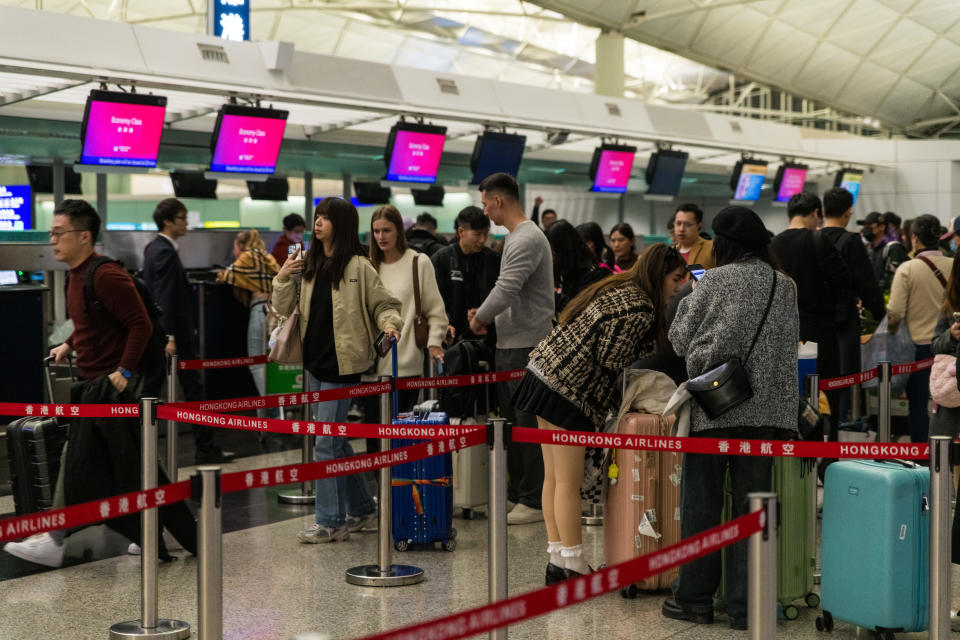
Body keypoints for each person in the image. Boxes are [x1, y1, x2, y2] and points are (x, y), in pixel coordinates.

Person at [4, 200, 195, 567]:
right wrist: (68, 344)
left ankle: (54, 538)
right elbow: (92, 323)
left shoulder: (106, 275)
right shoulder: (76, 276)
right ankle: (157, 535)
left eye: (59, 233)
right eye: (52, 233)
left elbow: (139, 324)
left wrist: (123, 371)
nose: (53, 240)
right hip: (94, 383)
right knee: (134, 469)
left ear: (84, 236)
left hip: (111, 387)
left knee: (77, 459)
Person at [662, 206, 799, 631]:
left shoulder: (712, 280)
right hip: (766, 412)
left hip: (714, 406)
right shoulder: (785, 285)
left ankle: (695, 599)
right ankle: (746, 606)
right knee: (752, 508)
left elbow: (679, 340)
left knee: (701, 504)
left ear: (722, 243)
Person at [515, 244, 686, 583]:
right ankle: (575, 563)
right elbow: (611, 360)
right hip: (569, 392)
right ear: (659, 274)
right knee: (568, 482)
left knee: (553, 477)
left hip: (543, 376)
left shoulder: (618, 287)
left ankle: (557, 558)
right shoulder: (641, 308)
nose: (678, 287)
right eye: (676, 278)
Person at [273, 198, 403, 543]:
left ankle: (330, 521)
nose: (318, 223)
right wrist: (284, 276)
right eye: (317, 217)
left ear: (341, 225)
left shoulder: (359, 266)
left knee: (325, 443)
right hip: (314, 362)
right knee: (335, 442)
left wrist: (390, 325)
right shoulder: (308, 262)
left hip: (342, 365)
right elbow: (283, 308)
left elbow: (384, 304)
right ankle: (362, 508)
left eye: (326, 218)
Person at [469, 172, 554, 526]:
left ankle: (533, 499)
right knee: (515, 425)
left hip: (527, 346)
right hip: (512, 344)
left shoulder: (526, 239)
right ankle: (519, 494)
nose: (485, 211)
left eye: (486, 203)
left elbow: (506, 289)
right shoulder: (517, 238)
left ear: (499, 200)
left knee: (526, 426)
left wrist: (480, 318)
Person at [142, 198, 234, 464]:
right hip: (173, 337)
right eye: (182, 218)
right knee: (178, 390)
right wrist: (169, 335)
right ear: (168, 221)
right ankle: (204, 447)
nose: (186, 223)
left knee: (159, 389)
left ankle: (204, 446)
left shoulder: (154, 248)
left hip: (166, 335)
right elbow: (165, 297)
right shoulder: (165, 251)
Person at [770, 192, 851, 419]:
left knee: (791, 397)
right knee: (825, 397)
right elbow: (843, 280)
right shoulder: (818, 240)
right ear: (817, 213)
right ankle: (825, 449)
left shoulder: (773, 245)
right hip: (821, 333)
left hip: (785, 334)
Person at [819, 187, 886, 427]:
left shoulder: (812, 239)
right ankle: (835, 436)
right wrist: (881, 316)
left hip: (814, 325)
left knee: (818, 383)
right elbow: (866, 284)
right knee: (843, 382)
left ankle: (817, 436)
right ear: (849, 212)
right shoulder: (851, 242)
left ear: (823, 211)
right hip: (844, 323)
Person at [886, 214, 952, 443]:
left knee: (917, 405)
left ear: (914, 238)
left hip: (919, 350)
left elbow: (895, 312)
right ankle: (948, 459)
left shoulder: (908, 269)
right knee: (949, 405)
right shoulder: (955, 265)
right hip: (951, 348)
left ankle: (921, 460)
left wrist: (893, 330)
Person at [370, 205, 448, 394]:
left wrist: (435, 342)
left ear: (399, 230)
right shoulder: (368, 266)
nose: (381, 236)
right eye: (376, 231)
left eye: (387, 230)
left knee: (402, 423)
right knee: (372, 423)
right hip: (370, 368)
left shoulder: (418, 262)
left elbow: (436, 311)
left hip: (406, 364)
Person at [217, 230, 280, 415]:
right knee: (269, 365)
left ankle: (272, 414)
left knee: (257, 364)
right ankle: (270, 415)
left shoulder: (248, 256)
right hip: (274, 312)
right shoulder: (266, 255)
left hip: (260, 311)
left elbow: (226, 276)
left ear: (240, 245)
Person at [431, 205, 501, 345]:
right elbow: (435, 301)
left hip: (487, 338)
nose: (482, 240)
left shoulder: (492, 259)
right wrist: (446, 325)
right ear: (461, 231)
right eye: (477, 234)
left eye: (486, 234)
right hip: (452, 339)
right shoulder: (442, 259)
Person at [547, 220, 611, 313]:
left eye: (553, 252)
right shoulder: (573, 272)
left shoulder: (592, 275)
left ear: (562, 250)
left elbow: (574, 309)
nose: (552, 258)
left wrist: (548, 295)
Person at [860, 211, 909, 292]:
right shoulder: (871, 251)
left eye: (869, 226)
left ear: (882, 227)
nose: (865, 229)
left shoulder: (892, 249)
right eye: (865, 226)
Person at [673, 204, 715, 269]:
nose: (681, 229)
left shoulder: (711, 249)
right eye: (678, 223)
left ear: (699, 225)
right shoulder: (671, 251)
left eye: (688, 225)